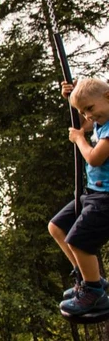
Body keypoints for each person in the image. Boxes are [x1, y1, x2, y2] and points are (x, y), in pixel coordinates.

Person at [51, 78, 109, 317]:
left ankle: (94, 293)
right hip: (93, 193)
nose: (88, 115)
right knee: (57, 227)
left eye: (90, 109)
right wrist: (71, 97)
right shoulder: (101, 118)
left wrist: (79, 140)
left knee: (79, 241)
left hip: (106, 200)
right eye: (84, 111)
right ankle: (87, 279)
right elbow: (83, 125)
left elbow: (94, 158)